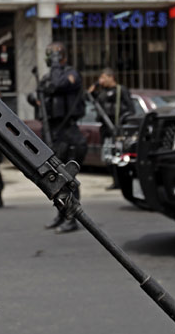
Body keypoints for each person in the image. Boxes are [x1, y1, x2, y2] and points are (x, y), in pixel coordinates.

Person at [32, 42, 86, 233]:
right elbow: (40, 92)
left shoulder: (71, 75)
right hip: (53, 132)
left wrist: (56, 65)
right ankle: (61, 214)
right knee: (54, 178)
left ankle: (72, 219)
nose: (50, 59)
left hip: (69, 132)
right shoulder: (49, 77)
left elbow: (57, 85)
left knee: (67, 177)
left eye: (53, 56)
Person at [88, 67, 136, 190]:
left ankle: (123, 181)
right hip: (106, 128)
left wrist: (123, 122)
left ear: (111, 77)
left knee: (120, 155)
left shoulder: (121, 90)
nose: (101, 80)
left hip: (118, 127)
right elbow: (88, 97)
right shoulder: (101, 93)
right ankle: (115, 181)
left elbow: (131, 109)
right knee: (108, 155)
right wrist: (94, 86)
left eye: (103, 77)